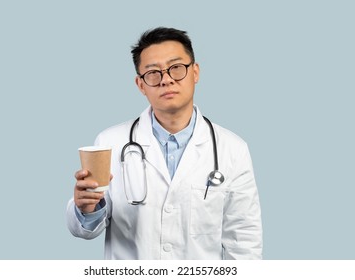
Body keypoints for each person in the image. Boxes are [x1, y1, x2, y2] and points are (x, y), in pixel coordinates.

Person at [66, 27, 262, 260]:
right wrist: (87, 209)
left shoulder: (232, 149)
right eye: (153, 73)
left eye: (176, 68)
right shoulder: (110, 142)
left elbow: (244, 240)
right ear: (140, 84)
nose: (166, 79)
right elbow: (86, 230)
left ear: (195, 72)